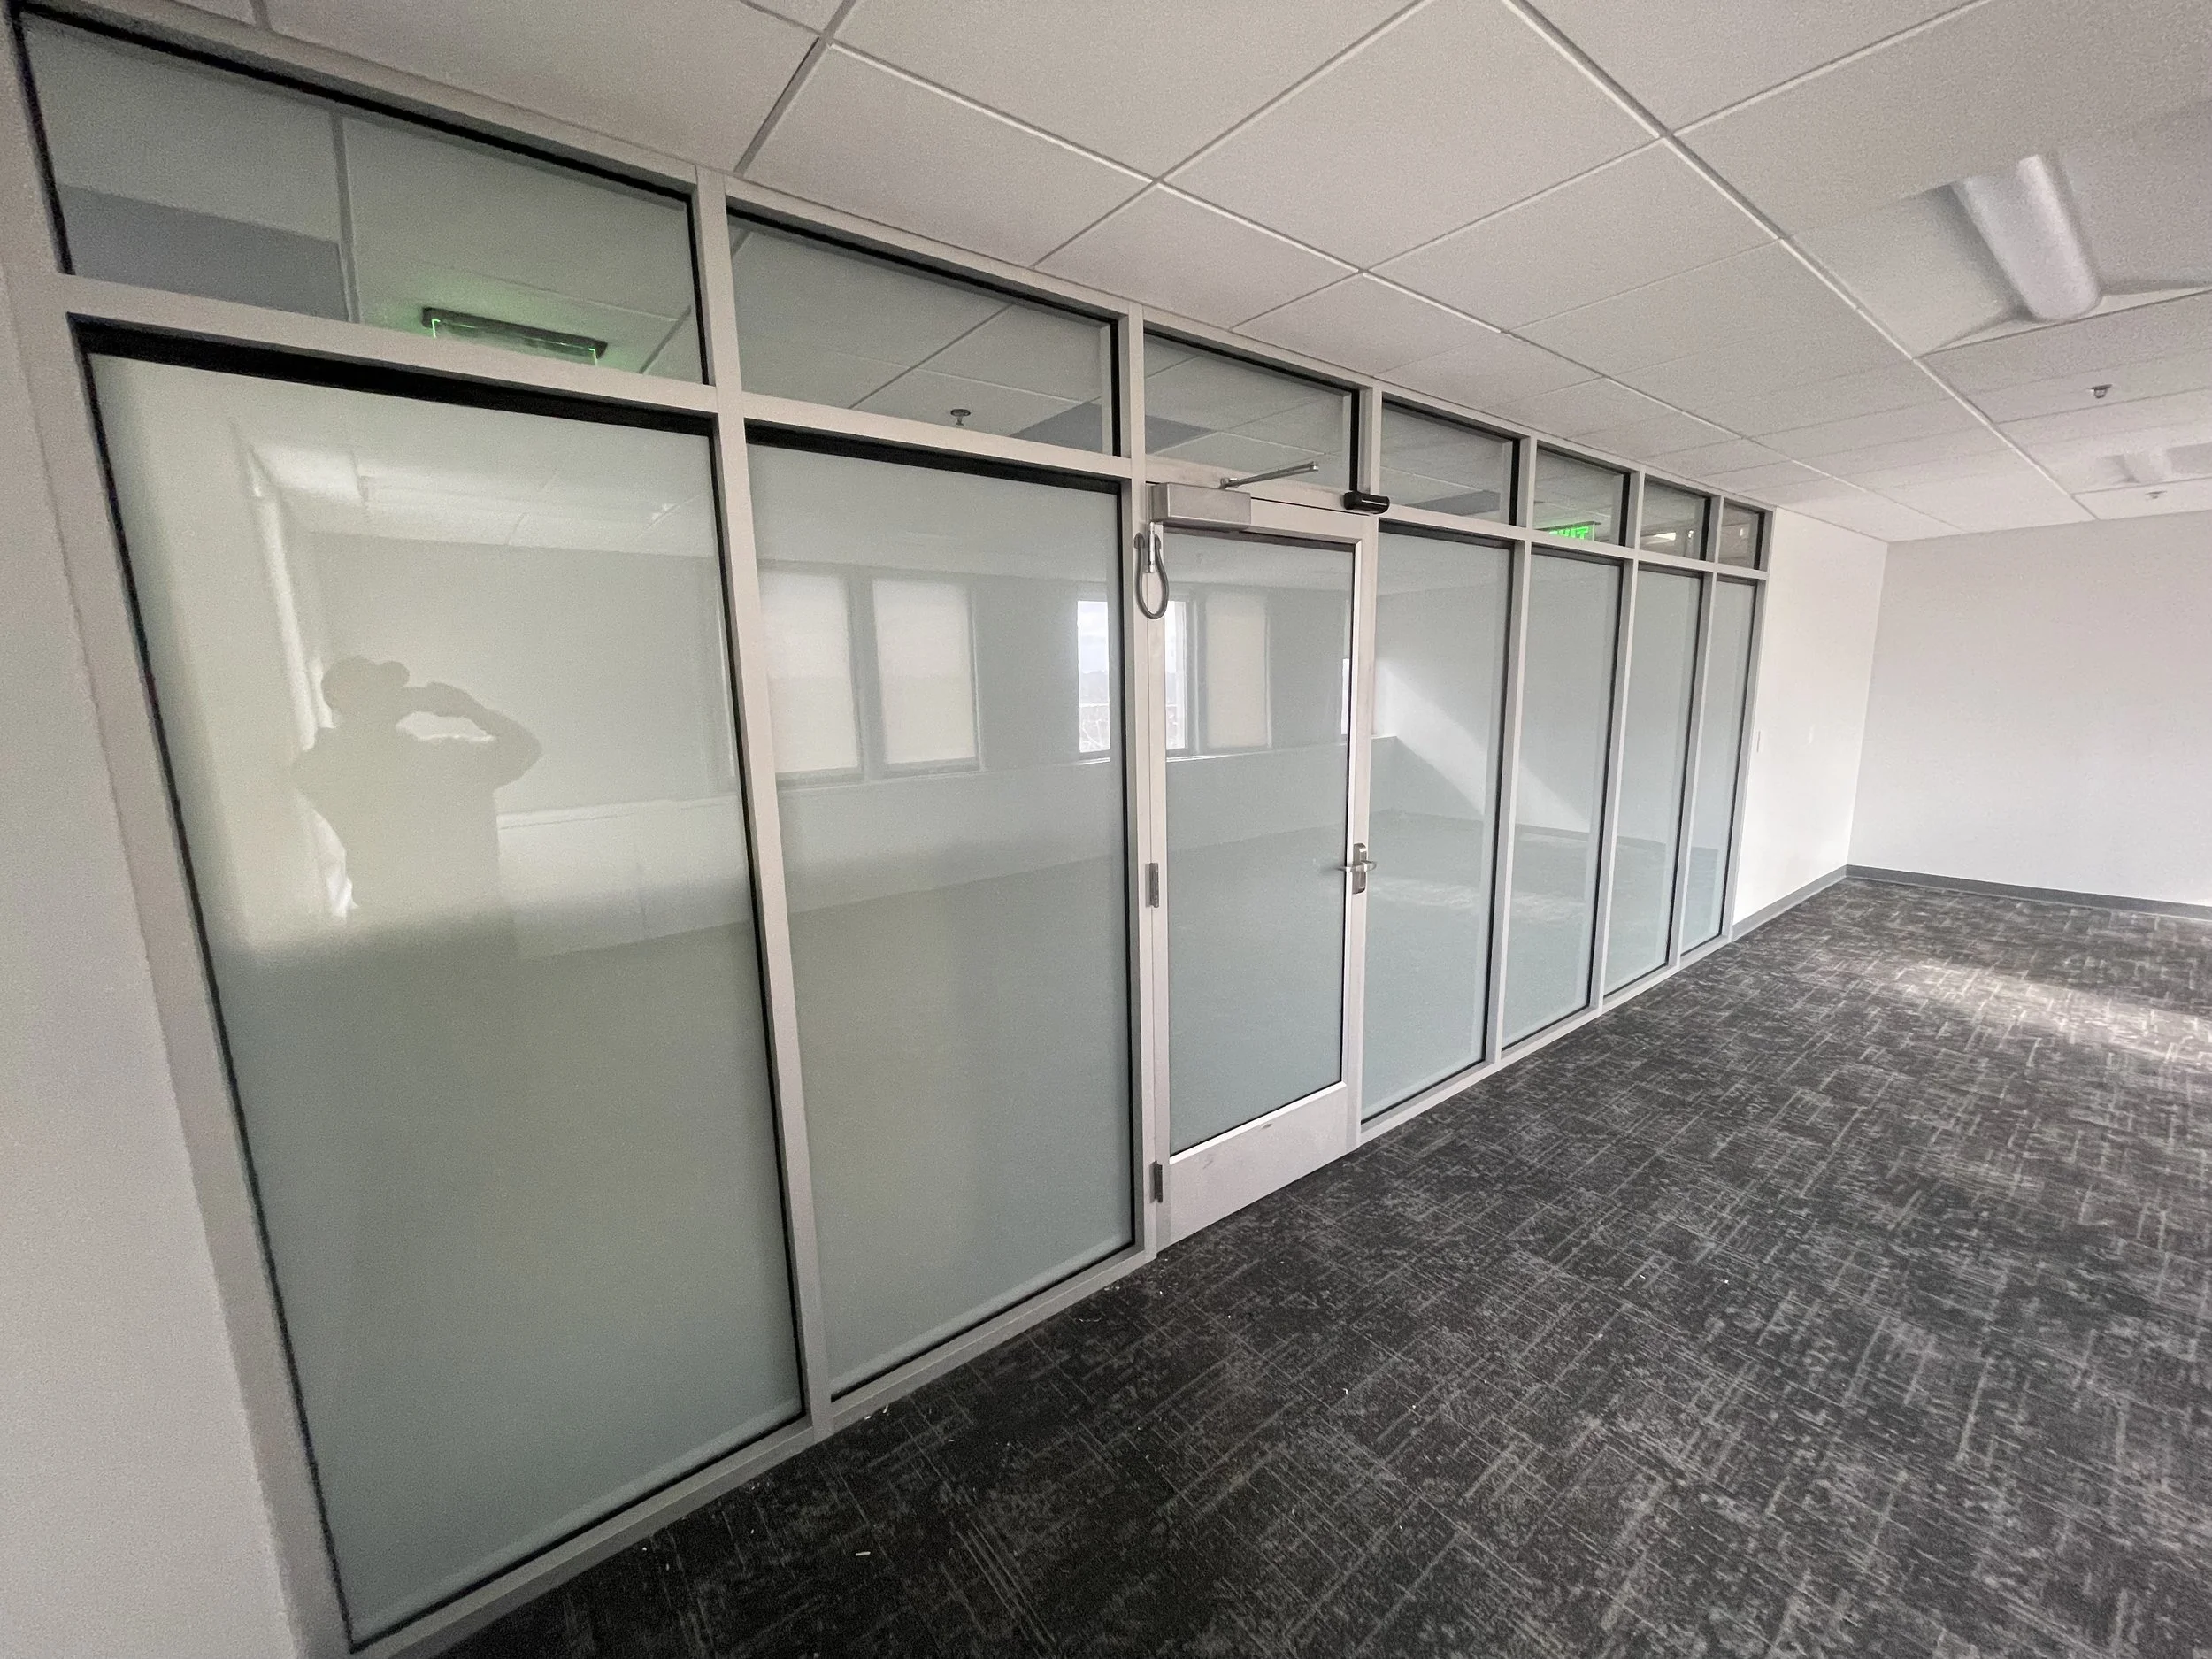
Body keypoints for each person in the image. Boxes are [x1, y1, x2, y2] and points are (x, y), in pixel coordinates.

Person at [293, 658, 541, 934]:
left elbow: (525, 748)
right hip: (393, 932)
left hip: (472, 926)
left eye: (377, 692)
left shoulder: (450, 759)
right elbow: (310, 773)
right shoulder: (326, 771)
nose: (376, 702)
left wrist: (472, 710)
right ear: (338, 705)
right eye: (363, 695)